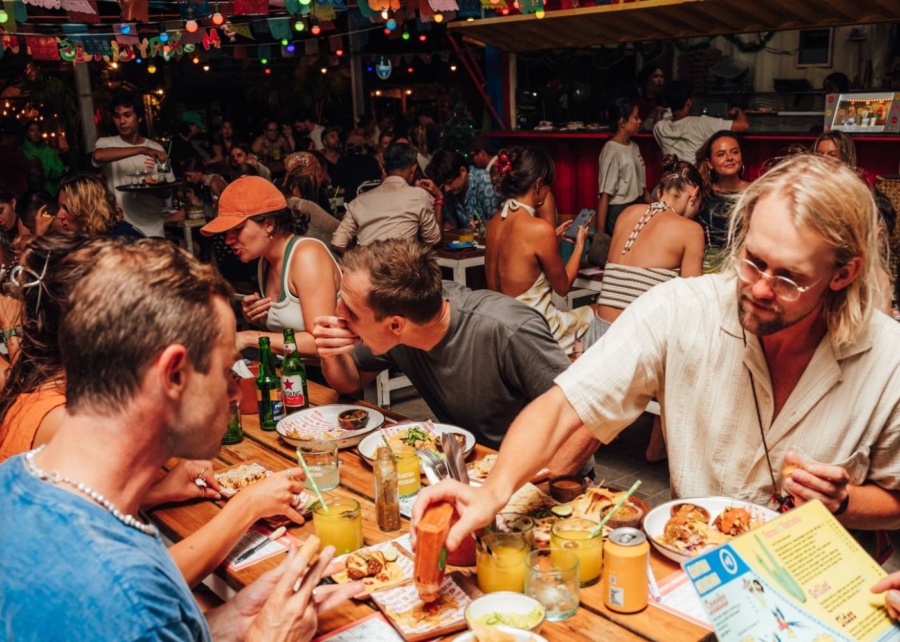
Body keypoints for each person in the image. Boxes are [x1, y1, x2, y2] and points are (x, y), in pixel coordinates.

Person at [415, 153, 900, 554]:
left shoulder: (888, 360)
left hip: (815, 585)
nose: (760, 288)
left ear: (843, 273)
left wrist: (845, 502)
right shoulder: (682, 308)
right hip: (695, 568)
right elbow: (565, 405)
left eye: (789, 277)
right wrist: (493, 492)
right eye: (751, 261)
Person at [0, 236, 361, 639]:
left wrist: (233, 622)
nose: (233, 389)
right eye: (227, 370)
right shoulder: (127, 598)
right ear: (173, 375)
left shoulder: (16, 478)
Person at [312, 239, 598, 474]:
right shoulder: (405, 325)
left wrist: (517, 490)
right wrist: (330, 352)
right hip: (471, 467)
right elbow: (349, 382)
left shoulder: (507, 329)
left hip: (544, 474)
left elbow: (585, 417)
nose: (338, 312)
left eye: (349, 308)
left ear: (396, 325)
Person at [201, 176, 341, 356]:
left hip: (327, 380)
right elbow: (287, 333)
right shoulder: (265, 262)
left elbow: (321, 342)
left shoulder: (307, 256)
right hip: (293, 372)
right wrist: (257, 319)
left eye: (237, 229)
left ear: (268, 224)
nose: (228, 240)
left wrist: (250, 337)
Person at [484, 146, 603, 355]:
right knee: (601, 313)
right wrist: (580, 246)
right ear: (538, 185)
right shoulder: (538, 229)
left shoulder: (496, 221)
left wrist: (551, 239)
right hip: (536, 330)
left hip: (504, 326)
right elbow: (563, 286)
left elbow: (518, 258)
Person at [91, 90, 176, 238]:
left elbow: (167, 190)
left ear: (140, 118)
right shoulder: (106, 143)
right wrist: (141, 150)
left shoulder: (158, 149)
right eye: (117, 116)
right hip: (121, 226)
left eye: (127, 115)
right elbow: (98, 156)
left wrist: (152, 188)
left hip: (152, 226)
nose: (122, 121)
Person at [331, 143, 441, 254]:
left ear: (384, 170)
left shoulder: (359, 201)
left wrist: (358, 263)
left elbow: (336, 244)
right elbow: (434, 241)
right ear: (413, 168)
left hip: (366, 268)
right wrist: (439, 198)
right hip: (402, 268)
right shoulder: (419, 196)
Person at [653, 80, 749, 163]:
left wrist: (658, 111)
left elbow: (658, 119)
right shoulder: (701, 123)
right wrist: (738, 111)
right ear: (689, 102)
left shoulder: (660, 128)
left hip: (671, 181)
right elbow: (743, 125)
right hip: (696, 181)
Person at [597, 97, 652, 235]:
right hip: (620, 212)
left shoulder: (634, 147)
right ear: (622, 122)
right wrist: (601, 234)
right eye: (636, 117)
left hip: (636, 206)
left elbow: (642, 191)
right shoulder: (612, 150)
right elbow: (605, 196)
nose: (639, 121)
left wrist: (660, 207)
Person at [695, 130, 751, 253]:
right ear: (709, 163)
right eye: (721, 154)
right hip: (709, 264)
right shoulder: (702, 195)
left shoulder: (756, 192)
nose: (729, 158)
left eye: (735, 152)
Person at [51, 173, 145, 239]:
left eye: (67, 208)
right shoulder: (87, 235)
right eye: (59, 207)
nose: (59, 215)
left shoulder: (123, 240)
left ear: (88, 209)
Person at [427, 149, 502, 229]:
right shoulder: (450, 191)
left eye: (450, 182)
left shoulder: (485, 181)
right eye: (443, 185)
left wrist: (482, 224)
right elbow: (452, 225)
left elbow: (500, 223)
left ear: (463, 171)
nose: (446, 189)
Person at [282, 153, 340, 249]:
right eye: (320, 175)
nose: (322, 180)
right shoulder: (302, 204)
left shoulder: (284, 196)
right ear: (310, 177)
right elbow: (337, 228)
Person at [19, 120, 65, 197]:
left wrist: (44, 172)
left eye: (38, 130)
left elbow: (60, 171)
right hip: (30, 193)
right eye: (32, 131)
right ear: (27, 133)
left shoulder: (48, 151)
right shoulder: (22, 151)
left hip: (50, 192)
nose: (36, 133)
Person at [635, 63, 666, 129]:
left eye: (662, 77)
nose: (660, 80)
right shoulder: (638, 104)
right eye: (656, 76)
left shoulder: (665, 101)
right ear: (646, 80)